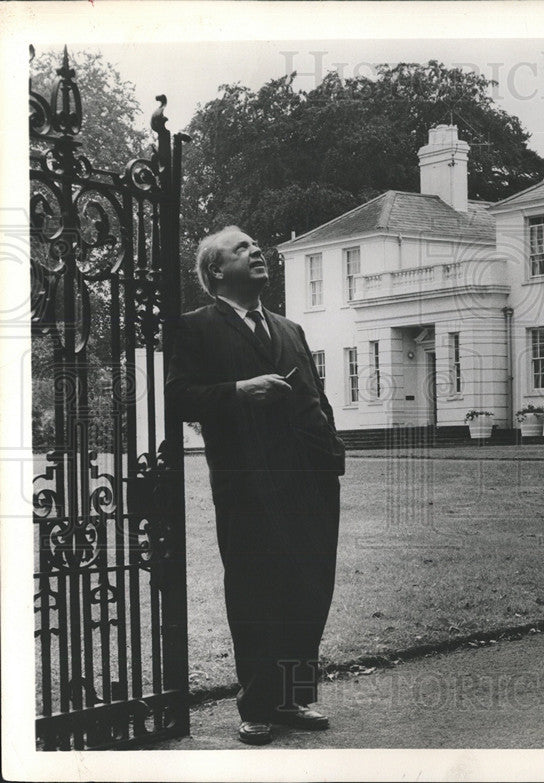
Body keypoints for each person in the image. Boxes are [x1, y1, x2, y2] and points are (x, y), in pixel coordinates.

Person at [166, 226, 346, 746]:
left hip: (310, 479)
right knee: (254, 589)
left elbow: (316, 395)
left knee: (309, 586)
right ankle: (258, 705)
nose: (257, 251)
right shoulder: (195, 328)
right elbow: (176, 397)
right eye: (241, 248)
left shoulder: (291, 328)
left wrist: (331, 451)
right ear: (216, 271)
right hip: (247, 483)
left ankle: (292, 698)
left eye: (256, 245)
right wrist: (239, 391)